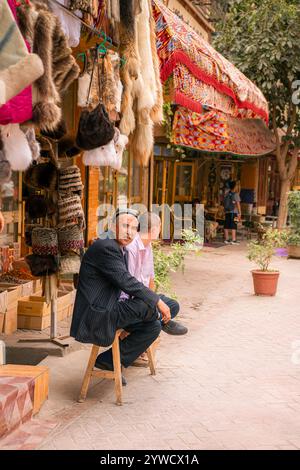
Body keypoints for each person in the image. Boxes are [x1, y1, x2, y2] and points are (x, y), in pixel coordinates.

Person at [70, 208, 171, 384]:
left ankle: (108, 361)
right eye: (125, 226)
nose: (129, 232)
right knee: (148, 306)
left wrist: (155, 301)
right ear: (112, 226)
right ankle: (161, 316)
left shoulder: (117, 247)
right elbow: (127, 282)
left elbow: (130, 282)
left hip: (110, 306)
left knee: (153, 326)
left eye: (134, 228)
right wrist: (157, 301)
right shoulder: (106, 247)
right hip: (97, 314)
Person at [123, 211, 188, 336]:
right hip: (130, 300)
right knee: (155, 320)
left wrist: (153, 300)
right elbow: (130, 285)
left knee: (173, 305)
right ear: (153, 230)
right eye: (159, 228)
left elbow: (150, 277)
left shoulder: (148, 245)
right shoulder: (131, 248)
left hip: (143, 296)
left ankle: (155, 319)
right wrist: (152, 302)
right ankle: (155, 322)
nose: (159, 231)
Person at [223, 180, 241, 245]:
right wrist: (239, 213)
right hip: (234, 212)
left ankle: (226, 239)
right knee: (234, 225)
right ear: (235, 187)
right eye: (236, 186)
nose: (237, 187)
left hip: (227, 212)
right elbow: (238, 204)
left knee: (226, 225)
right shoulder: (236, 194)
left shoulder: (226, 193)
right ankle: (233, 240)